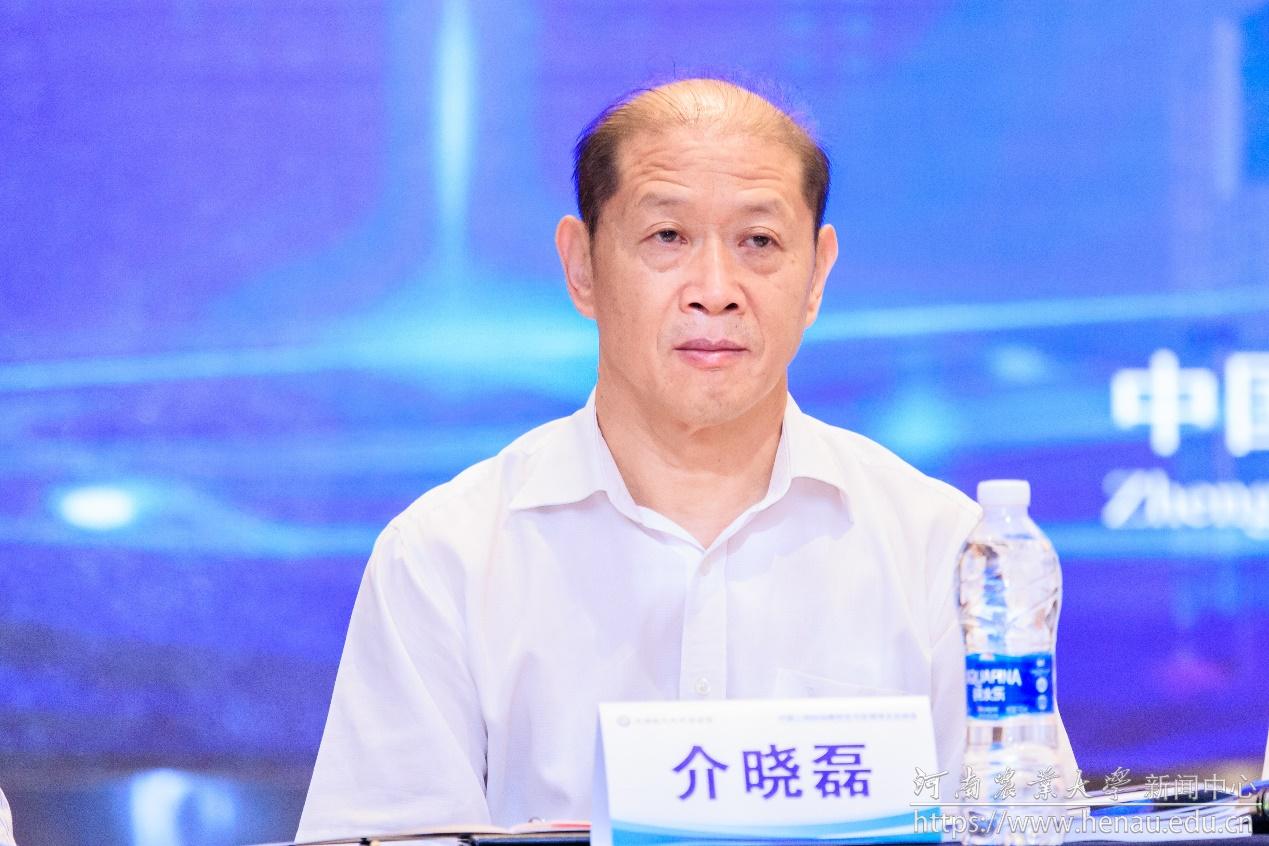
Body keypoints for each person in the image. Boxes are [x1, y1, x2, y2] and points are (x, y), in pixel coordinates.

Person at [296, 78, 1078, 840]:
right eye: (666, 237)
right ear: (580, 265)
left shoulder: (942, 550)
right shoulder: (446, 555)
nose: (714, 290)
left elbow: (1023, 827)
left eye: (758, 242)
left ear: (816, 274)